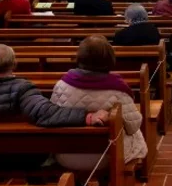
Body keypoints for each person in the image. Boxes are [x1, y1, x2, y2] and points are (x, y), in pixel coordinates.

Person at [49, 37, 147, 171]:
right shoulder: (118, 89)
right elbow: (133, 125)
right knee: (135, 134)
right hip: (108, 156)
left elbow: (53, 116)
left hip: (66, 154)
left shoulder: (62, 85)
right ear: (109, 58)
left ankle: (78, 185)